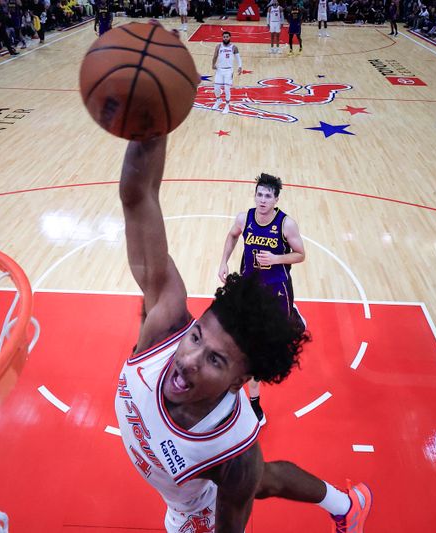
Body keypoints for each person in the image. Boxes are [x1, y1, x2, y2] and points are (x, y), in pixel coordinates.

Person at [116, 60, 371, 533]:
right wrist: (154, 114)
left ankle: (342, 508)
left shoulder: (233, 451)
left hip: (192, 511)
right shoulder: (163, 328)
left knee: (262, 479)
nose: (188, 359)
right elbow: (138, 197)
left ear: (241, 382)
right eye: (196, 338)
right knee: (266, 480)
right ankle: (346, 505)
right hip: (184, 471)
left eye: (215, 361)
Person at [217, 173, 306, 425]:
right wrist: (223, 261)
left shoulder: (286, 224)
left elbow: (300, 255)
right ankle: (254, 404)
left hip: (277, 286)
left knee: (279, 336)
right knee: (251, 347)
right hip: (250, 286)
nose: (263, 199)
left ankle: (292, 315)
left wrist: (276, 258)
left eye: (268, 195)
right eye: (259, 194)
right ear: (255, 195)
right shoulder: (244, 218)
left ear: (276, 199)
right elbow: (233, 235)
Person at [211, 31, 242, 115]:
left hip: (229, 71)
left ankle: (227, 105)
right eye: (224, 37)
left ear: (230, 37)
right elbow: (215, 56)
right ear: (222, 37)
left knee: (226, 89)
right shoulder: (218, 46)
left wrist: (240, 66)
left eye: (227, 37)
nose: (225, 38)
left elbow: (238, 58)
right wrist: (213, 64)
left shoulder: (234, 47)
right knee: (216, 87)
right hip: (219, 70)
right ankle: (218, 100)